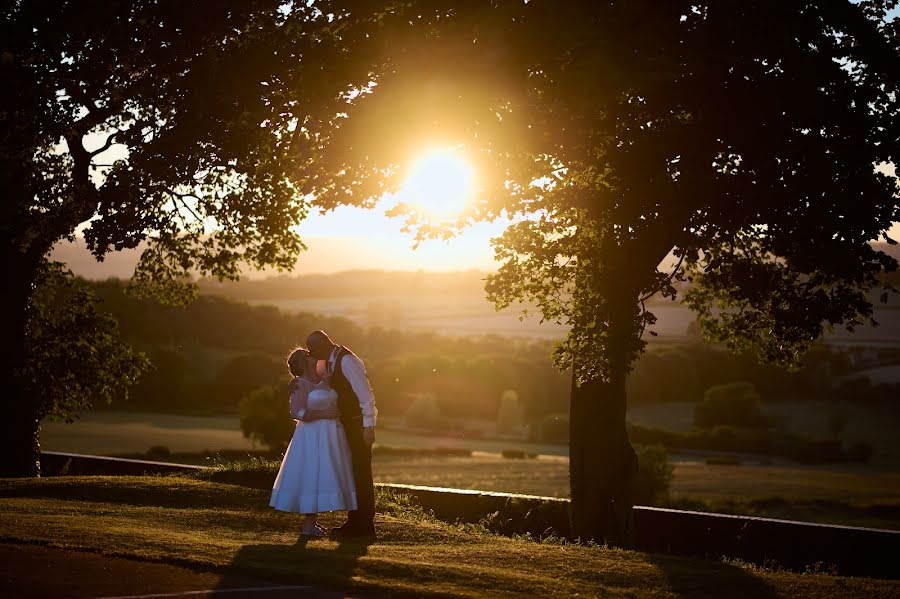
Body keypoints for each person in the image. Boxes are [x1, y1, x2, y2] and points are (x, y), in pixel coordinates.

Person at [269, 348, 357, 537]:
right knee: (312, 474)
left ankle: (313, 524)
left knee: (324, 474)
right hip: (311, 436)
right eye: (308, 355)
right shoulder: (300, 384)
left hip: (331, 435)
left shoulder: (324, 379)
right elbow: (296, 413)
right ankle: (308, 525)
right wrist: (323, 414)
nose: (313, 355)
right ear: (303, 363)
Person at [306, 330, 377, 537]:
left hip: (358, 426)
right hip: (346, 425)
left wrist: (368, 427)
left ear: (323, 346)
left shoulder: (347, 361)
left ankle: (364, 525)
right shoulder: (332, 360)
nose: (314, 356)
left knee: (361, 473)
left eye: (314, 351)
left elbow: (366, 397)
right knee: (352, 473)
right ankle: (355, 521)